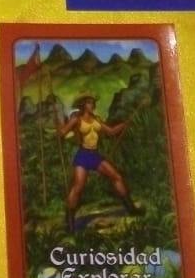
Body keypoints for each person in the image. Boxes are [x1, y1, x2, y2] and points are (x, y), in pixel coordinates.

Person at [56, 95, 142, 231]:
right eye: (90, 103)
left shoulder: (96, 119)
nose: (93, 105)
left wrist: (124, 124)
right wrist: (59, 125)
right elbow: (63, 132)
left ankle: (131, 209)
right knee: (78, 187)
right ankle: (70, 221)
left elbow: (110, 132)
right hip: (83, 155)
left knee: (117, 177)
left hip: (95, 155)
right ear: (83, 105)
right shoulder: (76, 119)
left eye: (93, 103)